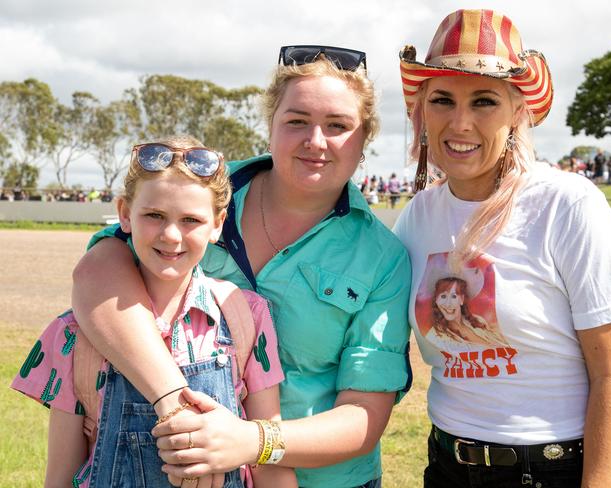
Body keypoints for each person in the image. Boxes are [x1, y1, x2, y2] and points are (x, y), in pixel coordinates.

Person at [71, 46, 411, 488]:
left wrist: (250, 442)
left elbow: (364, 417)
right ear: (270, 125)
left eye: (338, 126)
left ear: (364, 140)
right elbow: (96, 273)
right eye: (296, 121)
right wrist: (174, 404)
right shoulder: (197, 188)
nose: (316, 140)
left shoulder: (383, 256)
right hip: (174, 468)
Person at [395, 9, 611, 488]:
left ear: (517, 113)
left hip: (554, 470)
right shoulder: (416, 217)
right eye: (442, 100)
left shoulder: (567, 206)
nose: (460, 122)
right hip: (446, 465)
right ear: (422, 111)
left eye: (484, 101)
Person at [11, 135, 295, 488]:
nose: (171, 235)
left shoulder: (246, 315)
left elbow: (269, 459)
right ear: (124, 215)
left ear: (218, 224)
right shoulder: (73, 333)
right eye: (154, 215)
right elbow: (60, 476)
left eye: (191, 219)